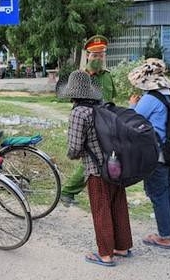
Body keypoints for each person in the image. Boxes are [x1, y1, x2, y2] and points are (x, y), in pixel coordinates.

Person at [61, 70, 133, 267]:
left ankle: (106, 254)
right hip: (116, 165)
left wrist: (72, 156)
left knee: (101, 209)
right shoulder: (103, 107)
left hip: (96, 169)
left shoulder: (78, 112)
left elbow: (75, 148)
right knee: (117, 204)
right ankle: (122, 246)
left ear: (72, 93)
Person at [128, 58, 170, 249]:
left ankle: (164, 236)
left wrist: (132, 104)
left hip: (156, 155)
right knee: (168, 192)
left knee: (158, 193)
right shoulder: (169, 95)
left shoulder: (151, 98)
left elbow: (133, 121)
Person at [60, 35, 117, 207]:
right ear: (87, 56)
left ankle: (72, 191)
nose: (98, 59)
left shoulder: (107, 76)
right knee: (91, 159)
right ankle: (68, 191)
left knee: (103, 158)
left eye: (101, 55)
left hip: (107, 123)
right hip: (90, 124)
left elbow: (112, 98)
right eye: (94, 55)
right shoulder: (80, 77)